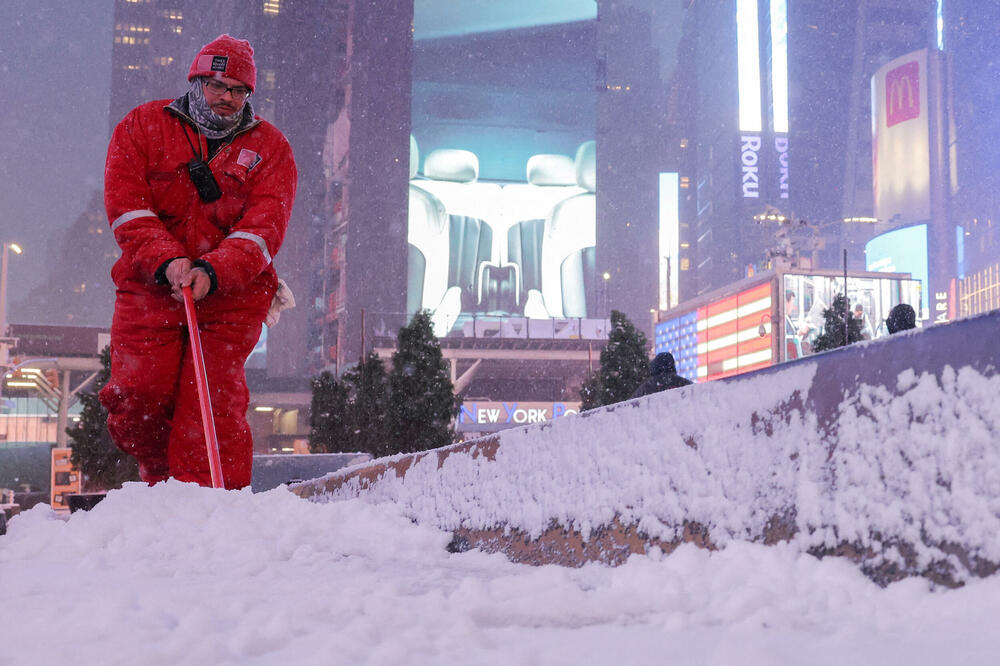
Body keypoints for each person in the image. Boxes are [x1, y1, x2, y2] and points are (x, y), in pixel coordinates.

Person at [99, 35, 298, 489]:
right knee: (138, 392)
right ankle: (160, 477)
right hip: (150, 284)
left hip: (234, 292)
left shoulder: (271, 148)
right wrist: (167, 260)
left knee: (209, 398)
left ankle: (212, 504)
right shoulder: (143, 127)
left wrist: (214, 271)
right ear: (196, 81)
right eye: (217, 85)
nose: (227, 98)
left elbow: (265, 227)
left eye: (238, 90)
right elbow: (127, 208)